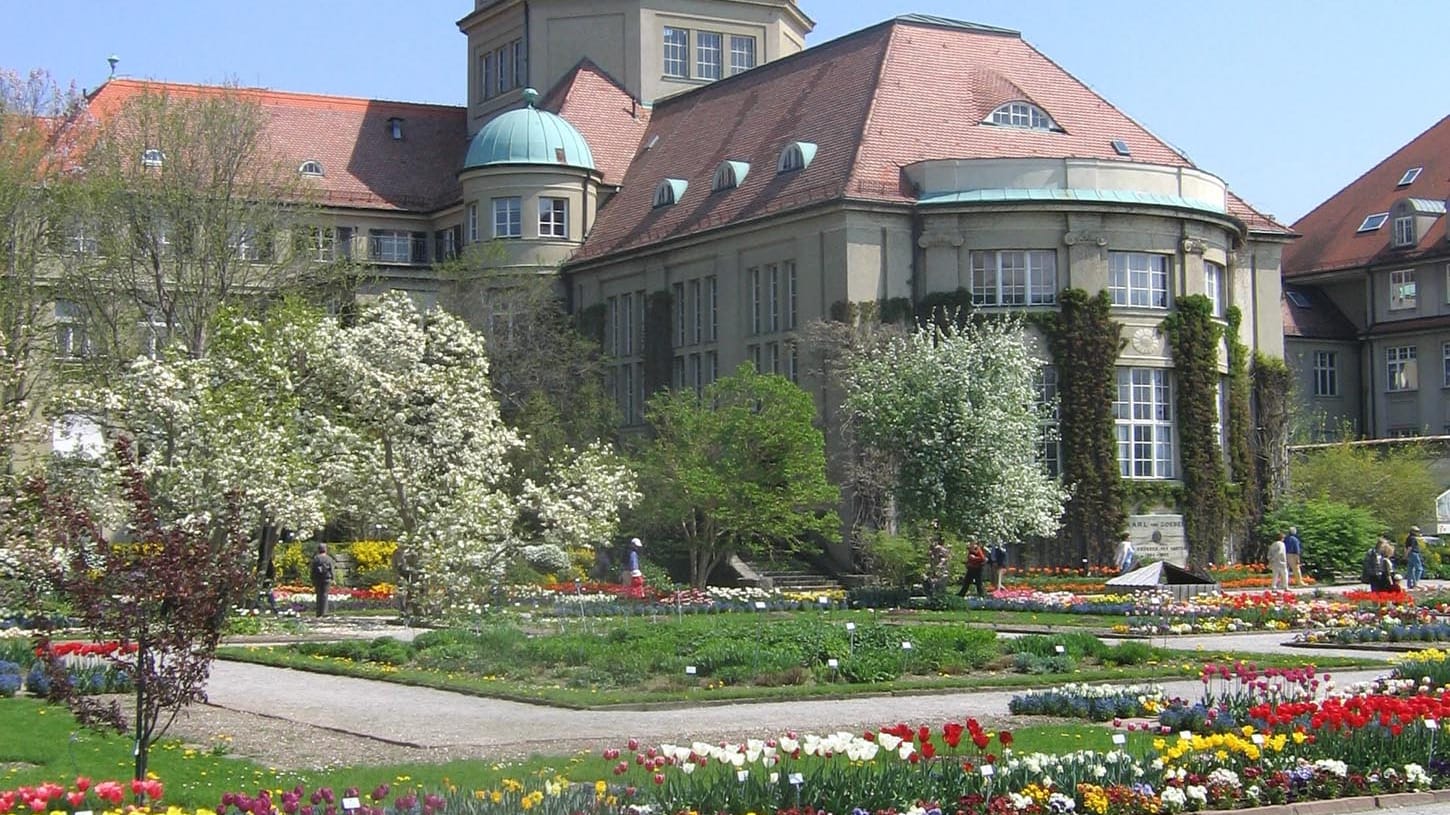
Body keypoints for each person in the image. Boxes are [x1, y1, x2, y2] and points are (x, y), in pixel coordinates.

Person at [309, 543, 337, 618]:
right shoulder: (329, 558)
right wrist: (333, 579)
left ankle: (318, 613)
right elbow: (332, 569)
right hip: (326, 579)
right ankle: (324, 612)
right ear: (325, 549)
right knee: (325, 595)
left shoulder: (316, 558)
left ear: (318, 550)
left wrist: (312, 578)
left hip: (318, 579)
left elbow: (312, 570)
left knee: (319, 595)